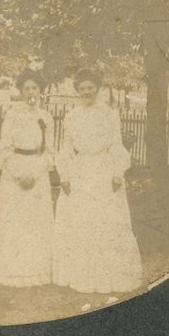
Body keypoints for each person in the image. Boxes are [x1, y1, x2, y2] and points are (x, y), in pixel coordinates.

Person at [52, 68, 143, 293]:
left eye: (90, 88)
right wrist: (64, 175)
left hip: (103, 169)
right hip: (81, 170)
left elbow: (116, 145)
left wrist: (117, 172)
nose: (86, 92)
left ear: (97, 89)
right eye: (82, 88)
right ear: (78, 92)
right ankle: (80, 274)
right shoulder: (72, 116)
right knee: (82, 219)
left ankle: (109, 274)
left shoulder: (109, 114)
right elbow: (66, 148)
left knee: (106, 219)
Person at [0, 69, 55, 287]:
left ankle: (36, 265)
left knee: (35, 219)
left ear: (40, 91)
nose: (31, 92)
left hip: (37, 174)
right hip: (15, 173)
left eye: (35, 88)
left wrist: (35, 173)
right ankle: (11, 263)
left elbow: (49, 152)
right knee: (13, 219)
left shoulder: (47, 117)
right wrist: (18, 174)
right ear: (20, 91)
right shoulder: (12, 114)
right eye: (26, 88)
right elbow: (4, 149)